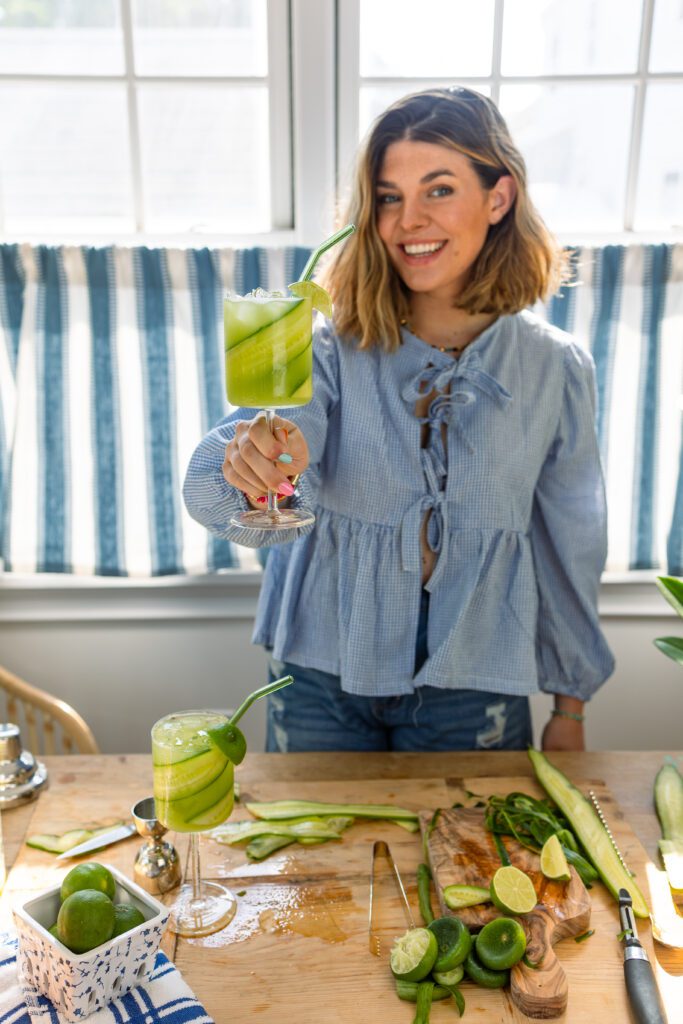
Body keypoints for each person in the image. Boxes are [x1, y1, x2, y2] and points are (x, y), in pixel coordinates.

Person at [184, 87, 614, 754]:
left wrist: (572, 705)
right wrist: (252, 460)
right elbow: (243, 479)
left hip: (475, 677)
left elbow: (570, 545)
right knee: (315, 859)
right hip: (321, 671)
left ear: (497, 199)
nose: (408, 220)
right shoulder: (322, 347)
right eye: (388, 197)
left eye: (437, 190)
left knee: (467, 858)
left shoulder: (554, 369)